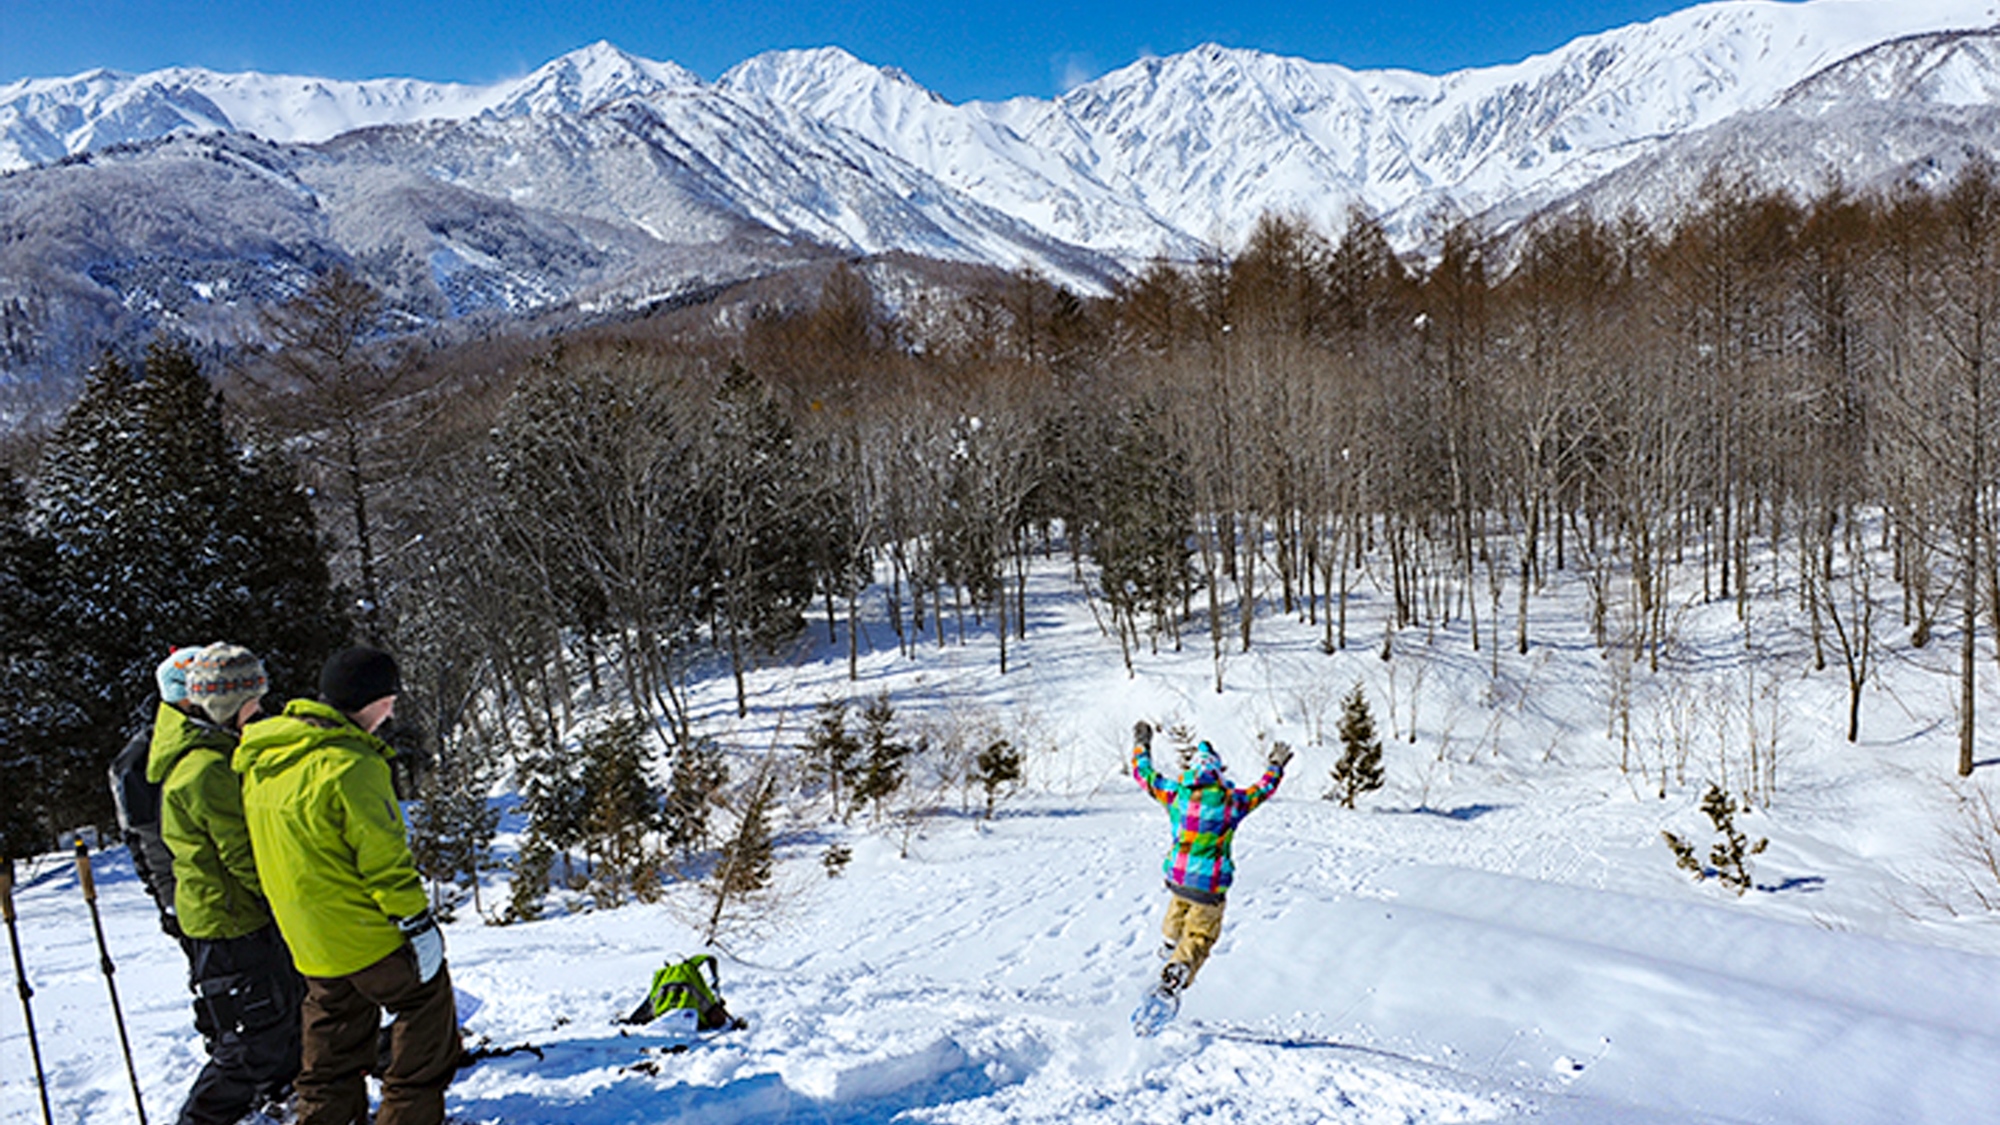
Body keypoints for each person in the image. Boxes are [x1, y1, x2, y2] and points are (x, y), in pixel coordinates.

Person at [236, 645, 458, 1125]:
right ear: (373, 700)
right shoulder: (352, 765)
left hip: (308, 936)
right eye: (390, 698)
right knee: (426, 1004)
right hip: (363, 933)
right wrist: (418, 923)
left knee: (332, 1037)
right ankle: (408, 1116)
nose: (393, 708)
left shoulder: (268, 757)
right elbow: (385, 862)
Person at [151, 643, 303, 1125]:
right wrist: (284, 902)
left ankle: (287, 1096)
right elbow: (242, 855)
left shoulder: (213, 752)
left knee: (279, 1022)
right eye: (251, 704)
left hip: (236, 917)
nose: (260, 713)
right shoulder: (206, 769)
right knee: (249, 1043)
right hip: (229, 923)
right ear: (223, 707)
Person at [1131, 721, 1291, 1003]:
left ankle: (1169, 941)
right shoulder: (1231, 801)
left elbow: (1144, 775)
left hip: (1178, 877)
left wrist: (1142, 744)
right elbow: (1262, 790)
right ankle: (1178, 969)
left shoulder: (1176, 793)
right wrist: (1275, 766)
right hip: (1210, 885)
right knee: (1201, 935)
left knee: (1180, 906)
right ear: (1217, 772)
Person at [109, 647, 203, 940]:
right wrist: (169, 901)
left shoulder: (218, 732)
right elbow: (146, 839)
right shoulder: (138, 761)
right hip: (192, 895)